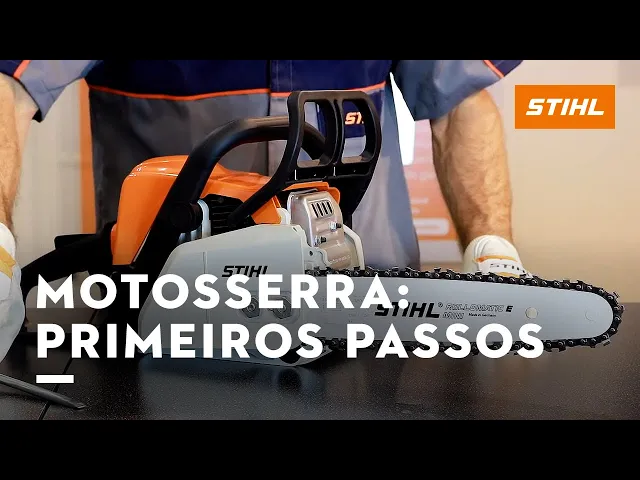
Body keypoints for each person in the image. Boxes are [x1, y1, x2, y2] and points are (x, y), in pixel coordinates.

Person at [0, 60, 528, 362]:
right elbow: (9, 86)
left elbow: (459, 98)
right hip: (168, 315)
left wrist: (492, 247)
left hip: (368, 304)